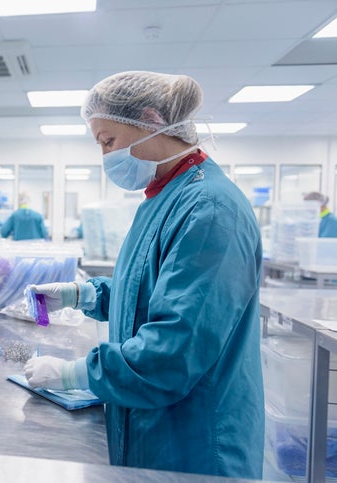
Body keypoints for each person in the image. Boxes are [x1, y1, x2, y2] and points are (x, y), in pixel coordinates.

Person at [24, 71, 264, 479]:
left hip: (195, 442)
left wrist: (73, 374)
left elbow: (173, 350)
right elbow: (151, 289)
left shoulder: (210, 209)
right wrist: (81, 294)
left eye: (108, 141)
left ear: (151, 121)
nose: (105, 158)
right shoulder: (165, 195)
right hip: (154, 425)